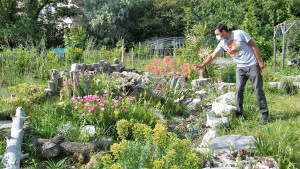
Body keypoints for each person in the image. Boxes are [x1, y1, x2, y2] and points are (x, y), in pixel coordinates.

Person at [193, 24, 269, 124]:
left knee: (258, 89)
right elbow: (212, 56)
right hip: (240, 67)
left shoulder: (240, 34)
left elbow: (254, 45)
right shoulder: (222, 43)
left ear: (224, 31)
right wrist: (202, 65)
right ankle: (239, 113)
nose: (217, 36)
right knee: (239, 89)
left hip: (252, 64)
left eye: (218, 34)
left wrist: (259, 62)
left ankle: (264, 114)